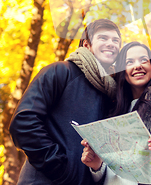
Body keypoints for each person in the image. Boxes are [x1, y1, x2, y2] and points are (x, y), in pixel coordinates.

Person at [9, 18, 122, 185]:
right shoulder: (60, 72)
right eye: (103, 38)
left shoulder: (112, 94)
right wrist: (61, 169)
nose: (111, 44)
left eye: (116, 41)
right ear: (86, 44)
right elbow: (24, 122)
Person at [81, 41, 151, 185]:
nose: (137, 66)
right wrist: (96, 165)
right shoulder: (116, 109)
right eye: (129, 62)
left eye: (144, 60)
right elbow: (112, 172)